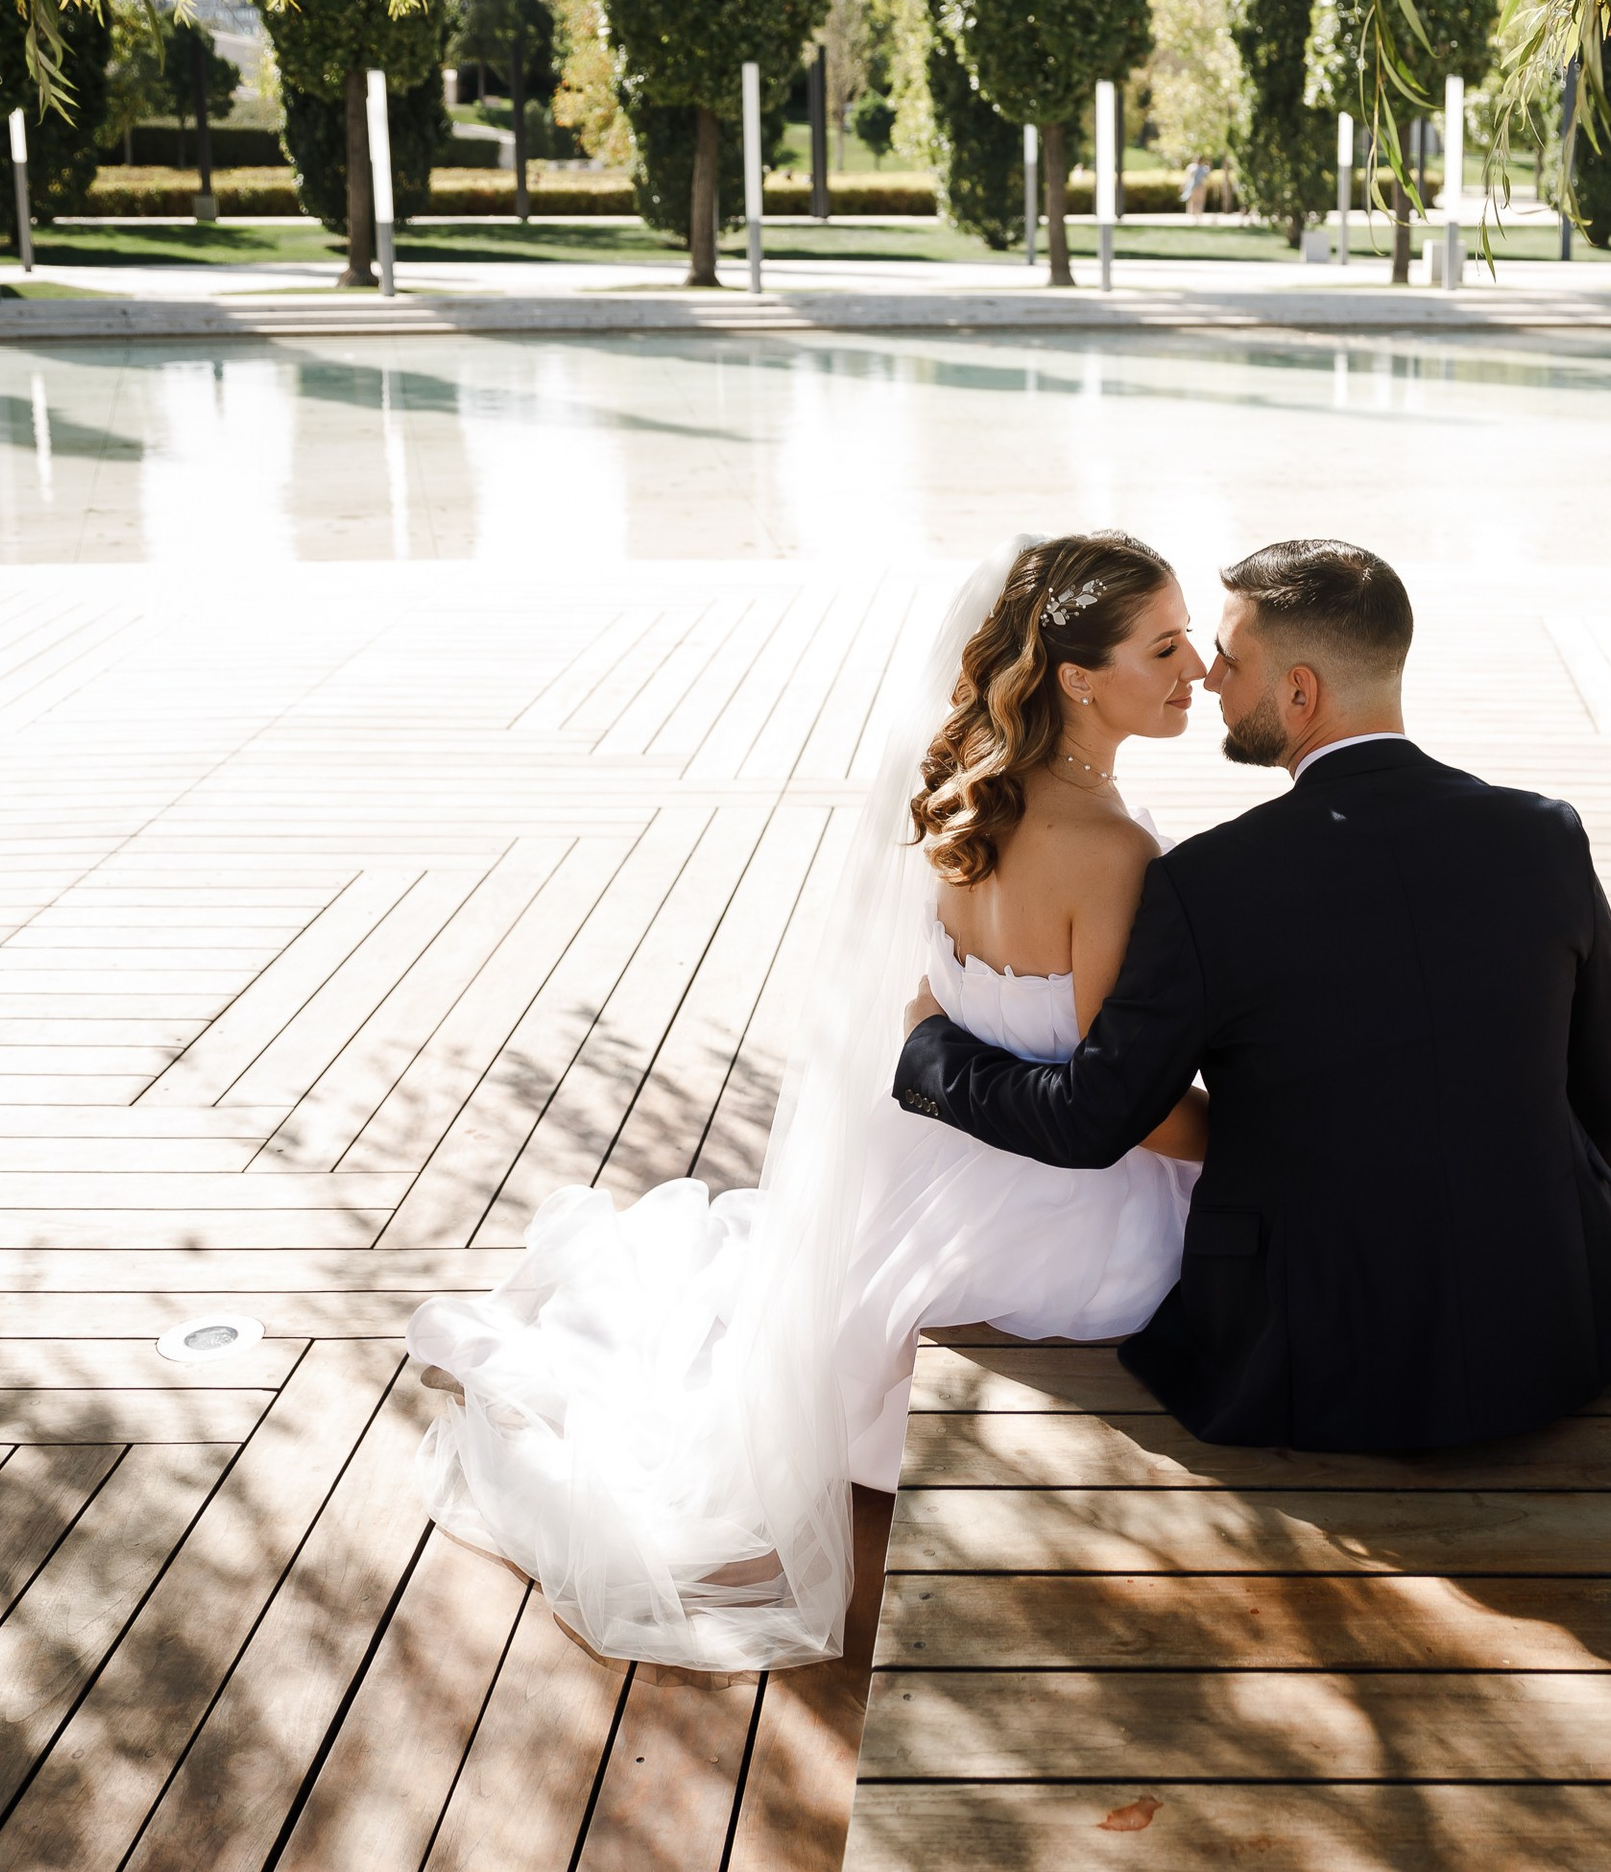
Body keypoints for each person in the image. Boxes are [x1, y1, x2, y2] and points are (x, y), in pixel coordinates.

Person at [404, 532, 1206, 1668]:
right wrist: (1248, 1140)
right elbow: (1111, 1096)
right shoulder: (1112, 847)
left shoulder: (968, 796)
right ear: (1078, 676)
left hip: (928, 1160)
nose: (1201, 669)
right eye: (1166, 647)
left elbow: (941, 998)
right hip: (1054, 1194)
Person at [896, 537, 1611, 1452]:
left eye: (1230, 657)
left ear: (1300, 693)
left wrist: (930, 1051)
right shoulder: (1544, 835)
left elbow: (1099, 1117)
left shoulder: (1212, 884)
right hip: (1559, 1316)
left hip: (1311, 1353)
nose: (1210, 677)